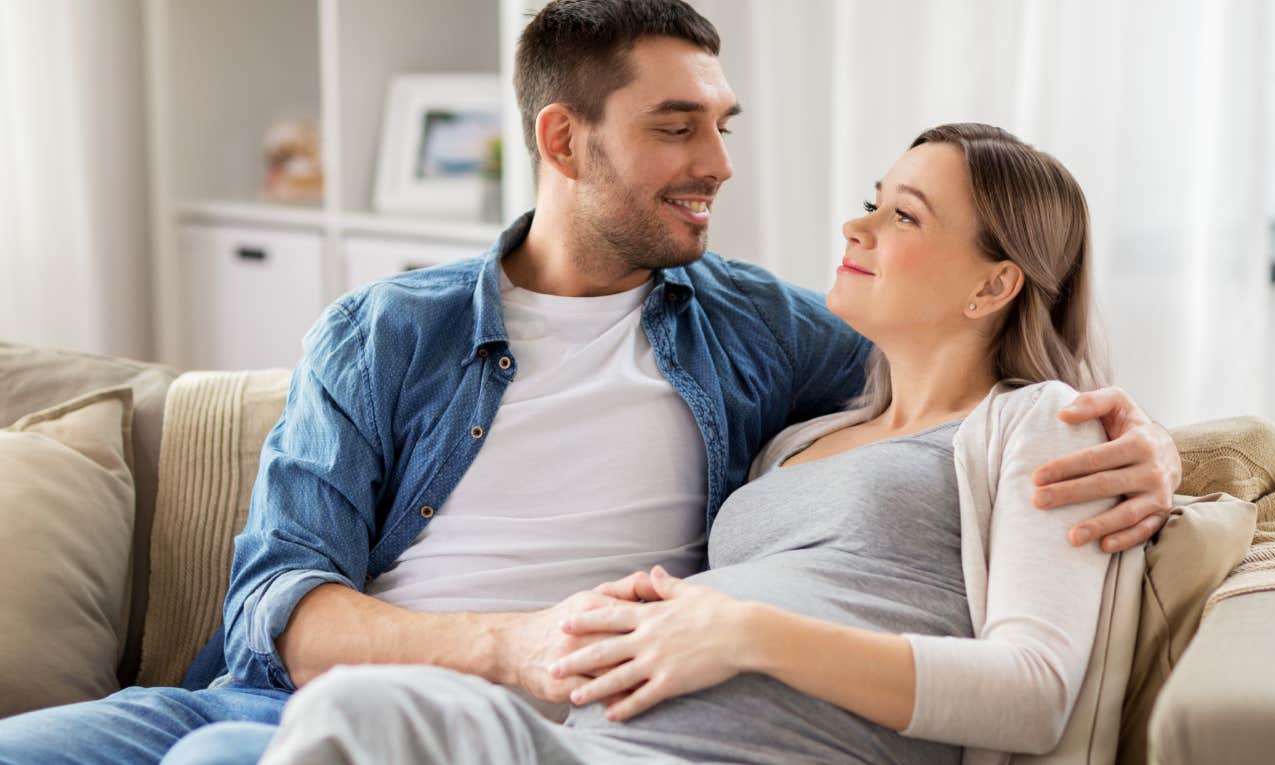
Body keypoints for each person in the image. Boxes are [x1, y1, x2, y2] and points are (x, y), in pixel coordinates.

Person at [0, 3, 1178, 764]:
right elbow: (274, 607)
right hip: (294, 697)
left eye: (722, 123)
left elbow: (986, 385)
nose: (719, 164)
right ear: (564, 142)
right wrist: (514, 643)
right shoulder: (385, 330)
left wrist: (1156, 448)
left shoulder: (764, 334)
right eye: (677, 129)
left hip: (548, 729)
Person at [250, 120, 1128, 765]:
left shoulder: (1037, 420)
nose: (857, 229)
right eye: (872, 203)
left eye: (905, 217)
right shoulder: (812, 427)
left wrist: (743, 631)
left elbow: (1034, 692)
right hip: (584, 743)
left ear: (994, 284)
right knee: (357, 711)